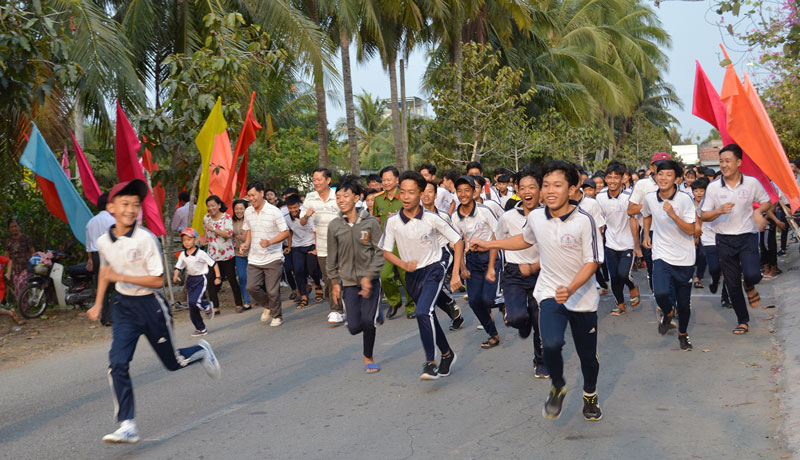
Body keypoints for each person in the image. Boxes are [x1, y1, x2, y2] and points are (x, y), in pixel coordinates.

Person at [87, 179, 220, 444]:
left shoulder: (146, 239)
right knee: (117, 363)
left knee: (173, 363)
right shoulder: (104, 241)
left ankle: (202, 351)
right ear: (111, 208)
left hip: (151, 307)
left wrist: (121, 275)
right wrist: (98, 303)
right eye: (124, 204)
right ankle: (127, 424)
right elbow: (105, 271)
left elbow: (158, 280)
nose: (130, 209)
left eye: (135, 205)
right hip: (123, 308)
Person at [470, 160, 603, 422]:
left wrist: (572, 287)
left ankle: (590, 394)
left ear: (573, 188)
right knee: (551, 343)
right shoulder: (536, 218)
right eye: (546, 185)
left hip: (583, 298)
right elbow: (525, 239)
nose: (550, 191)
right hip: (551, 293)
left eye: (558, 185)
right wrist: (489, 244)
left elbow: (593, 262)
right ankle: (557, 386)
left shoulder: (583, 221)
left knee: (588, 357)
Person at [381, 171, 463, 380]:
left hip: (434, 269)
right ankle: (447, 353)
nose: (406, 196)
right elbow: (386, 251)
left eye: (412, 192)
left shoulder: (431, 218)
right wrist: (403, 264)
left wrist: (455, 274)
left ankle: (430, 362)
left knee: (422, 312)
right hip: (411, 275)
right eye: (403, 192)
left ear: (420, 194)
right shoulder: (393, 222)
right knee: (428, 315)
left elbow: (458, 240)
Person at [701, 144, 771, 335]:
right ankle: (743, 321)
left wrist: (758, 211)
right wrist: (718, 211)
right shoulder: (714, 187)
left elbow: (767, 201)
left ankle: (749, 285)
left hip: (747, 236)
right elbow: (704, 215)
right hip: (724, 239)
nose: (723, 165)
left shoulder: (751, 183)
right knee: (732, 284)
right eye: (721, 161)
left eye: (728, 161)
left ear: (739, 162)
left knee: (753, 275)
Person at [327, 177, 385, 374]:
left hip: (371, 282)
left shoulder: (370, 223)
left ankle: (368, 357)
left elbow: (380, 251)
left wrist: (370, 275)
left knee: (368, 322)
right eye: (337, 197)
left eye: (345, 195)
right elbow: (331, 257)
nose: (341, 200)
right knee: (353, 327)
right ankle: (374, 314)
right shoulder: (334, 225)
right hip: (349, 282)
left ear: (357, 197)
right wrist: (335, 283)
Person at [494, 167, 548, 378]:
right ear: (517, 190)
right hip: (514, 273)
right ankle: (522, 324)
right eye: (522, 187)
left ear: (540, 190)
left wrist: (536, 266)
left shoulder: (548, 216)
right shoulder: (508, 217)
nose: (527, 191)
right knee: (517, 317)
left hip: (541, 274)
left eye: (532, 187)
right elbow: (499, 240)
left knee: (539, 320)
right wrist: (492, 266)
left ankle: (540, 360)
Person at [642, 160, 696, 351]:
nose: (663, 178)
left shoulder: (684, 200)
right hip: (661, 254)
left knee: (684, 304)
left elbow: (691, 230)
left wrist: (673, 214)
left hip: (684, 258)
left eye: (668, 174)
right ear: (655, 176)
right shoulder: (649, 197)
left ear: (677, 179)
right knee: (661, 292)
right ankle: (668, 311)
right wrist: (647, 233)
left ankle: (683, 335)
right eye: (660, 174)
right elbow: (646, 214)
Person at [452, 175, 502, 349]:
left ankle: (503, 302)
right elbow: (458, 243)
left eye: (467, 190)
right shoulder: (455, 217)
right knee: (474, 301)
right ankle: (493, 334)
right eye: (459, 191)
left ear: (474, 191)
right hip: (472, 260)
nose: (463, 194)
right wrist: (462, 267)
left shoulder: (484, 211)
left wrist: (491, 267)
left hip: (491, 256)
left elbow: (496, 236)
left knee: (487, 299)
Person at [241, 181, 291, 327]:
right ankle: (268, 306)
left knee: (272, 290)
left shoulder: (274, 211)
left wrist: (270, 242)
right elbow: (249, 230)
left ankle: (277, 316)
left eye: (253, 195)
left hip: (273, 256)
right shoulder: (248, 211)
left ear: (261, 193)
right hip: (254, 257)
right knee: (251, 287)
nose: (251, 198)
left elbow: (285, 232)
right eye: (249, 195)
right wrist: (246, 244)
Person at [595, 161, 641, 316]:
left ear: (623, 179)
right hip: (610, 243)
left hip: (627, 244)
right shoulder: (600, 197)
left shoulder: (629, 197)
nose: (612, 180)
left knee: (623, 274)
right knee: (614, 277)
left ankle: (632, 286)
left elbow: (634, 221)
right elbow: (599, 221)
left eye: (616, 177)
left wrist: (636, 245)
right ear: (606, 179)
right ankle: (620, 304)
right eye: (609, 177)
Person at [301, 168, 345, 325]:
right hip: (323, 246)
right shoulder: (310, 198)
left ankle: (337, 309)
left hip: (342, 244)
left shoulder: (338, 195)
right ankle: (336, 307)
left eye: (319, 179)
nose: (316, 182)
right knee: (329, 279)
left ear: (328, 180)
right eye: (314, 180)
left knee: (342, 277)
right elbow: (302, 221)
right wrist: (307, 215)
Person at [373, 166, 416, 319]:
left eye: (389, 179)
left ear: (397, 180)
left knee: (407, 278)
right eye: (383, 180)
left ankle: (411, 307)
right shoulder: (378, 199)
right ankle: (394, 301)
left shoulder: (406, 197)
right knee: (384, 276)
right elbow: (377, 220)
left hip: (405, 243)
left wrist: (399, 216)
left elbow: (416, 217)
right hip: (388, 244)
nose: (385, 182)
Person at [421, 180, 465, 329]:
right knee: (430, 288)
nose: (426, 195)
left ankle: (448, 306)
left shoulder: (443, 216)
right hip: (425, 256)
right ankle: (453, 311)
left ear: (435, 195)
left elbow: (455, 237)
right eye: (423, 192)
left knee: (433, 281)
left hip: (443, 253)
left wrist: (458, 269)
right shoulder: (415, 216)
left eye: (430, 191)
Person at [628, 152, 672, 291]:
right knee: (654, 270)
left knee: (670, 270)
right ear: (651, 168)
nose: (662, 170)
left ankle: (671, 303)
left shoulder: (676, 184)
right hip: (650, 233)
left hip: (671, 232)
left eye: (667, 167)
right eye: (659, 166)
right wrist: (650, 205)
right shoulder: (642, 185)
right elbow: (631, 210)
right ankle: (660, 301)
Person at [173, 228, 219, 336]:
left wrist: (218, 277)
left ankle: (207, 305)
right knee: (192, 306)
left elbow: (214, 264)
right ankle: (201, 328)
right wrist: (175, 275)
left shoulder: (201, 253)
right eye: (184, 240)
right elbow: (178, 267)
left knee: (195, 302)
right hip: (190, 280)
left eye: (189, 239)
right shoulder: (182, 255)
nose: (186, 242)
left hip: (201, 279)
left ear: (196, 240)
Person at [693, 178, 731, 308]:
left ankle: (725, 298)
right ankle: (714, 280)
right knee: (714, 268)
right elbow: (699, 218)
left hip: (724, 238)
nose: (699, 193)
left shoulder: (724, 199)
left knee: (727, 270)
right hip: (708, 239)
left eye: (701, 190)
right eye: (696, 191)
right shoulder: (701, 203)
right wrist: (697, 233)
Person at [203, 195, 243, 315]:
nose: (211, 208)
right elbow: (206, 232)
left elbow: (228, 234)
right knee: (210, 279)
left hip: (227, 254)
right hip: (212, 255)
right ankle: (215, 306)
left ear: (219, 205)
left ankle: (238, 303)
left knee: (231, 279)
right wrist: (204, 239)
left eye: (213, 205)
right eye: (209, 206)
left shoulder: (226, 217)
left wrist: (213, 228)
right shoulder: (206, 218)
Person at [285, 194, 323, 308]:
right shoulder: (286, 218)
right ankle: (304, 296)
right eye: (290, 208)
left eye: (295, 207)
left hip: (310, 245)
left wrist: (316, 248)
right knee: (298, 271)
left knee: (312, 270)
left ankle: (317, 285)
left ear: (299, 206)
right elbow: (290, 232)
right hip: (297, 247)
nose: (293, 210)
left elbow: (315, 232)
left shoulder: (307, 215)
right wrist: (290, 246)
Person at [85, 192, 117, 325]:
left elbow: (88, 244)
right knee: (116, 286)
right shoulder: (112, 221)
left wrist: (90, 259)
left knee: (102, 287)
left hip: (96, 255)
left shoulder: (91, 222)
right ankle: (112, 315)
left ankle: (105, 317)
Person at [232, 199, 252, 312]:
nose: (239, 211)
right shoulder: (232, 222)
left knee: (256, 277)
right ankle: (247, 302)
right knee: (242, 277)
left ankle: (264, 297)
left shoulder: (251, 220)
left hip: (253, 252)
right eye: (236, 209)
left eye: (241, 209)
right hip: (238, 253)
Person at [5, 218, 34, 298]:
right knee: (17, 289)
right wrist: (7, 270)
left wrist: (33, 264)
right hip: (15, 268)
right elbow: (6, 257)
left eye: (15, 226)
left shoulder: (26, 238)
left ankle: (24, 308)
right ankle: (23, 308)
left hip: (26, 267)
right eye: (12, 227)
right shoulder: (9, 241)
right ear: (9, 229)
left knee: (22, 284)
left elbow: (32, 252)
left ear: (19, 227)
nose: (14, 228)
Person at [0, 254, 21, 324]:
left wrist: (8, 273)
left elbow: (9, 261)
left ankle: (10, 312)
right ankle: (9, 312)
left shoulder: (0, 258)